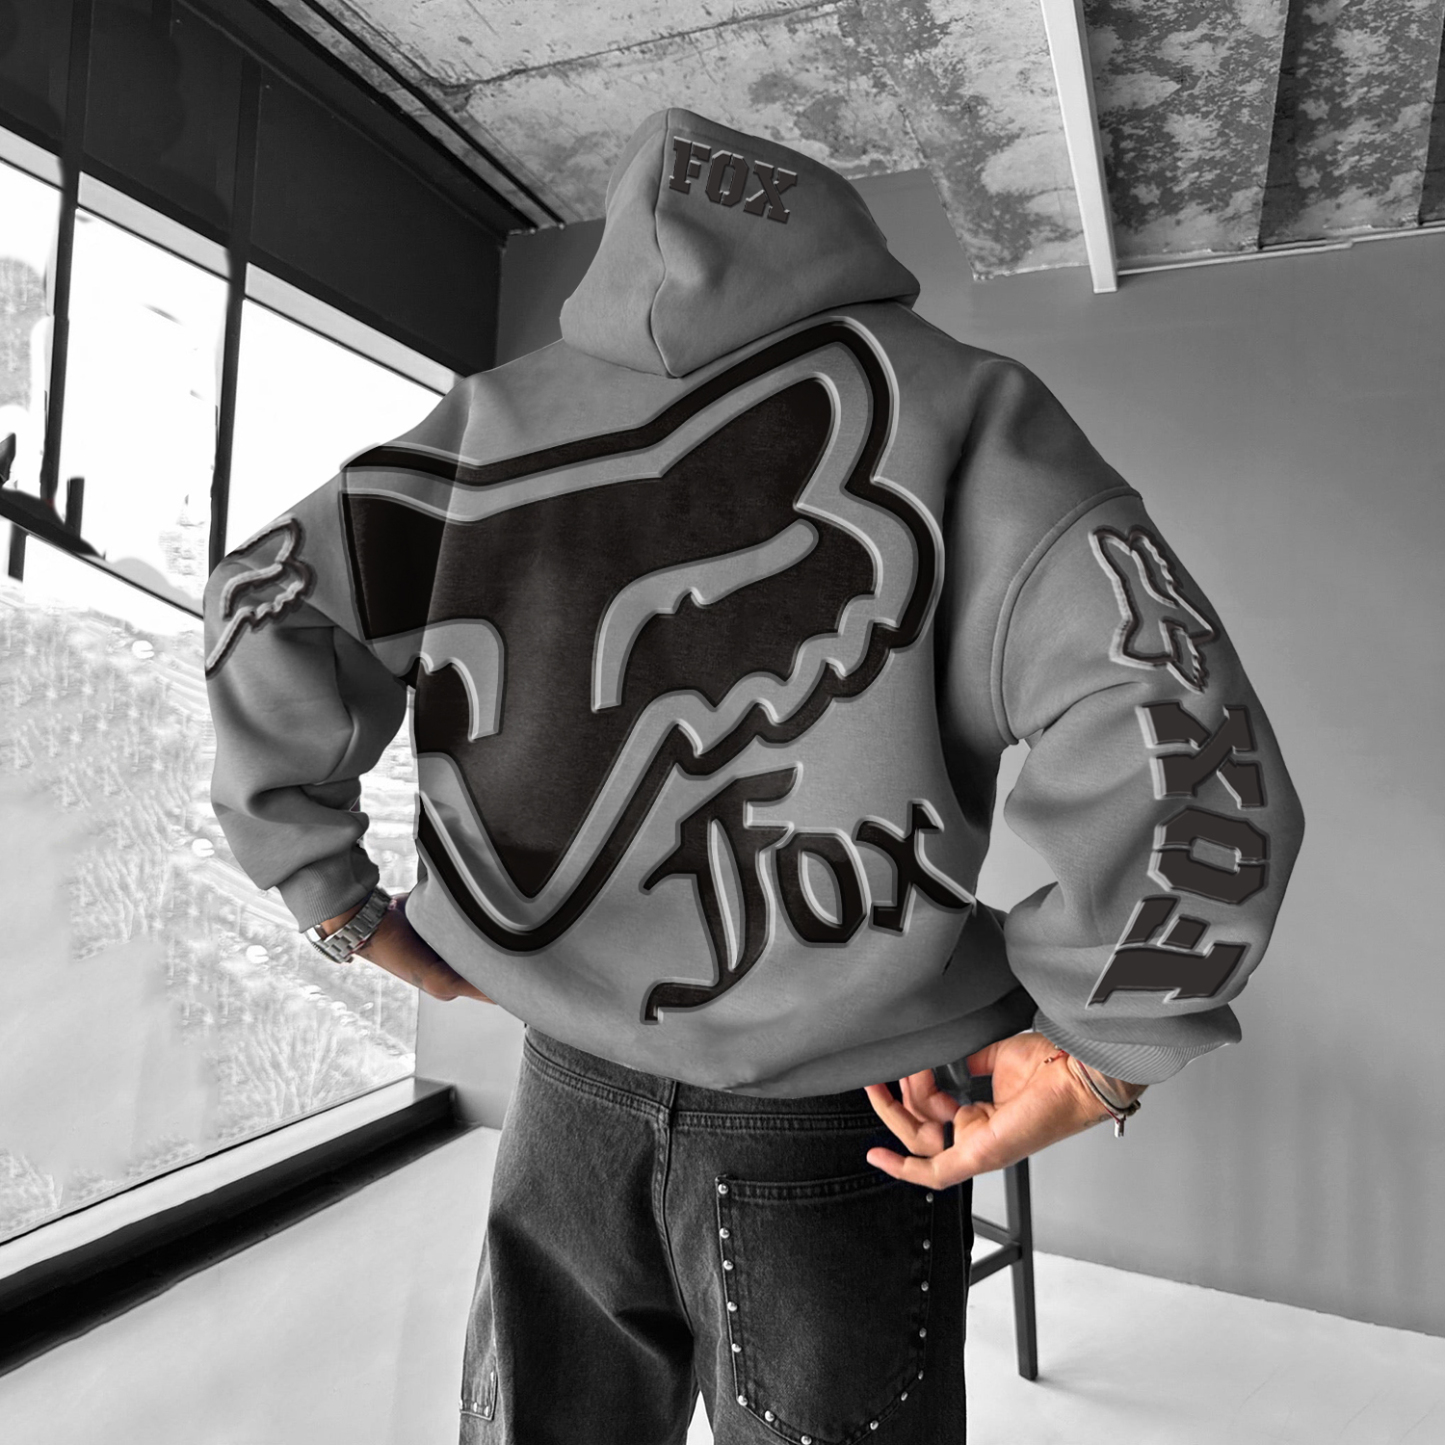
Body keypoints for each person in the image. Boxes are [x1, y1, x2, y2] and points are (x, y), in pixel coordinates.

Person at [202, 107, 1304, 1443]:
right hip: (848, 1116)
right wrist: (1098, 1047)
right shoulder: (968, 411)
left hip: (565, 1090)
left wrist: (330, 893)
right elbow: (1174, 717)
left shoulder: (488, 422)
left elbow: (263, 598)